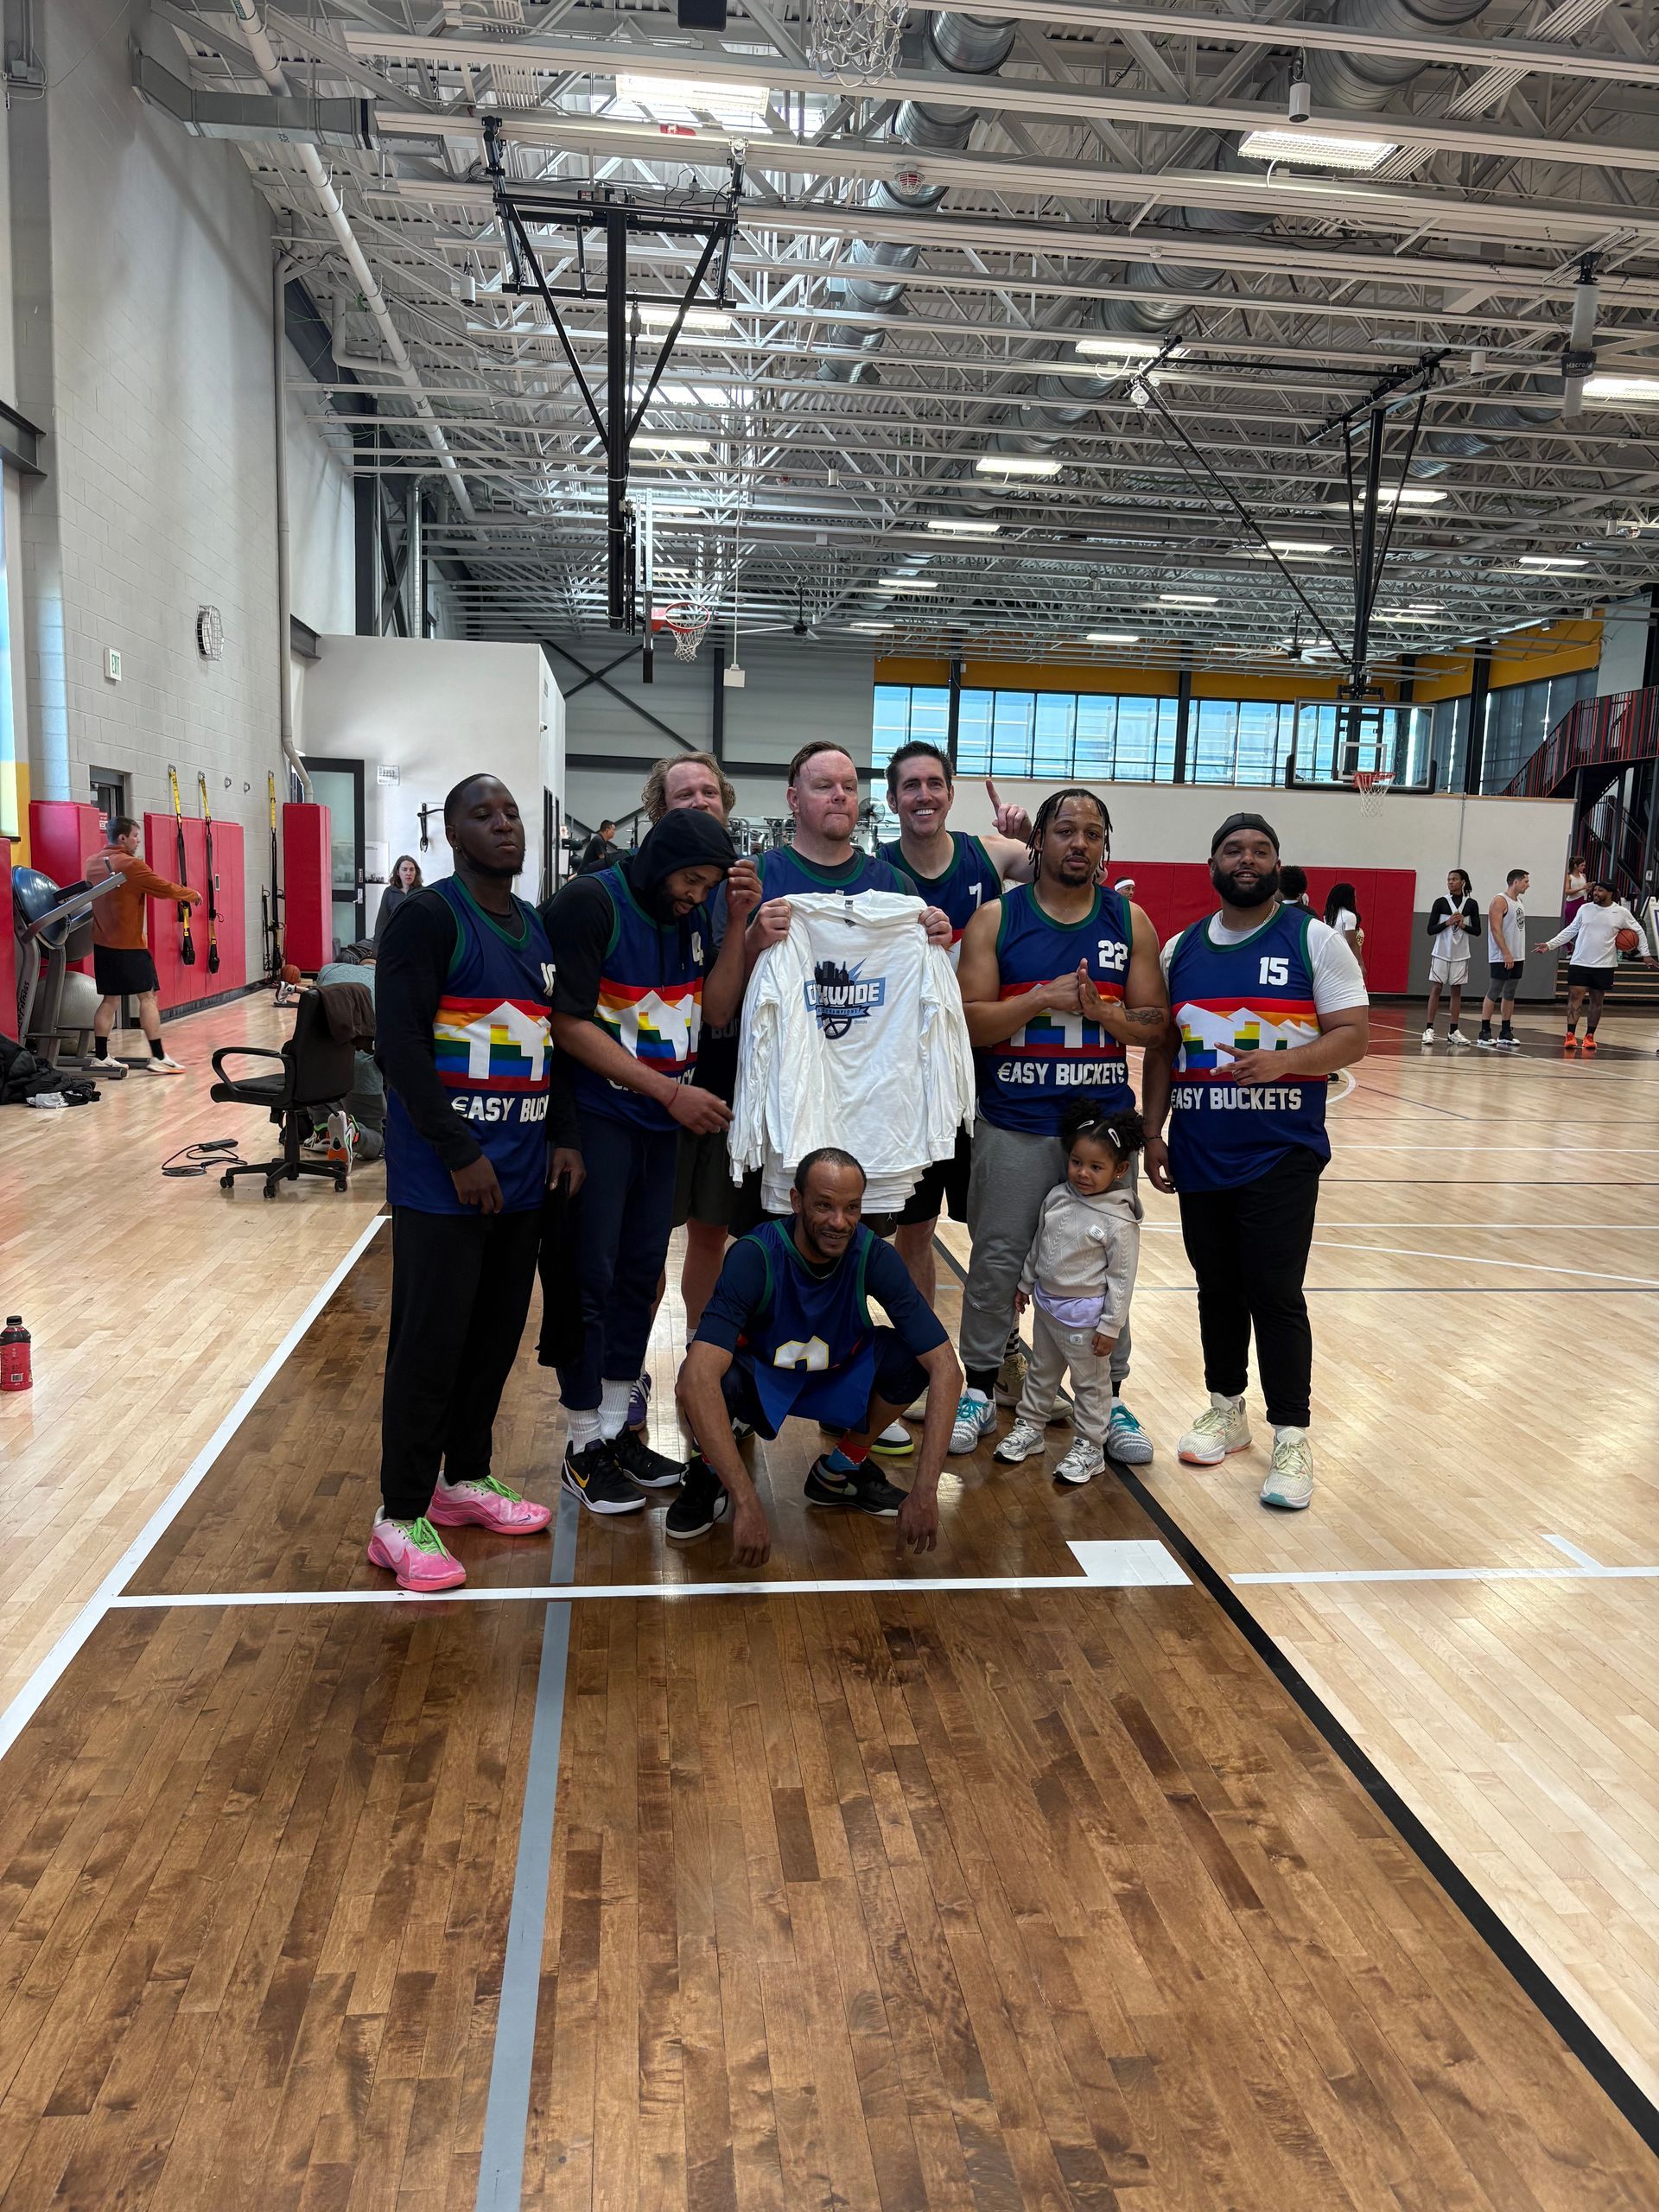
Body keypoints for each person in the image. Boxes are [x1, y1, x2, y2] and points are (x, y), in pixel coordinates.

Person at [370, 773, 583, 1594]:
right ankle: (398, 1513)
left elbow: (551, 1044)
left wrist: (562, 1134)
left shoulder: (533, 927)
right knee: (430, 1344)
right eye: (483, 815)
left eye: (510, 813)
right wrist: (460, 1152)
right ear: (452, 834)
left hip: (523, 1177)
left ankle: (464, 1479)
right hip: (445, 1182)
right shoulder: (429, 918)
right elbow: (400, 1048)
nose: (504, 826)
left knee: (493, 1339)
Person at [1141, 813, 1370, 1511]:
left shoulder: (1315, 940)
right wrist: (1154, 1133)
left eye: (1260, 850)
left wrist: (1284, 1062)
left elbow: (1354, 1036)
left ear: (1277, 863)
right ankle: (1226, 1407)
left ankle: (1293, 1434)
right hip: (1202, 1150)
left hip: (1281, 1153)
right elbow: (1161, 1050)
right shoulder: (1180, 950)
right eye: (1234, 850)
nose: (1247, 860)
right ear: (1212, 862)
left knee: (1274, 1291)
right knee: (1216, 1286)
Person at [950, 786, 1168, 1467]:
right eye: (1067, 830)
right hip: (1014, 1124)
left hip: (1100, 1136)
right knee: (996, 1263)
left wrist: (1104, 1013)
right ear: (1039, 841)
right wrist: (1042, 998)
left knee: (1105, 1270)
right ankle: (981, 1388)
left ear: (1106, 846)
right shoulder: (996, 918)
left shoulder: (1130, 921)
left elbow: (1157, 1025)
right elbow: (967, 1021)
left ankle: (1110, 1397)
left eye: (1093, 834)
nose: (1080, 843)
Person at [542, 809, 746, 1514]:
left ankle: (613, 1429)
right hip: (602, 1121)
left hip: (660, 1125)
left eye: (707, 886)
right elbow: (564, 1024)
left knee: (637, 1279)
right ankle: (579, 1445)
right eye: (691, 880)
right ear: (661, 861)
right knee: (587, 1281)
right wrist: (667, 1092)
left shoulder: (688, 916)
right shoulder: (590, 903)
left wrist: (738, 921)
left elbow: (712, 1010)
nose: (696, 895)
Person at [671, 1147, 961, 1559]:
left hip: (836, 1376)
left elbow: (947, 1368)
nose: (839, 1222)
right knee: (700, 1379)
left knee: (912, 1359)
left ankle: (840, 1471)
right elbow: (697, 1378)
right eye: (824, 1206)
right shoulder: (754, 1256)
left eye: (851, 1208)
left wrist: (926, 1490)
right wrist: (749, 1503)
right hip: (763, 1381)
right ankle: (710, 1472)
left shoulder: (873, 1254)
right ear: (796, 1202)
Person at [878, 746, 1036, 1315]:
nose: (924, 795)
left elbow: (1076, 875)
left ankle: (1003, 1351)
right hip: (911, 1082)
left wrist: (1032, 832)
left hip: (986, 1071)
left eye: (934, 784)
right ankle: (923, 1354)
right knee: (914, 1232)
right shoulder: (874, 871)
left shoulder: (991, 857)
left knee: (997, 1227)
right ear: (893, 799)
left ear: (950, 792)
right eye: (911, 786)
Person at [993, 1104, 1145, 1489]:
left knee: (1090, 1387)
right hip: (1046, 1310)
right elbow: (1039, 1246)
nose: (1083, 1173)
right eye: (1077, 1162)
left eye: (1096, 1167)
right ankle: (1030, 1429)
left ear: (1120, 1171)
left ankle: (1090, 1447)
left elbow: (1122, 1280)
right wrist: (1026, 1284)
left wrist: (1111, 1326)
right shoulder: (1057, 1197)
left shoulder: (1119, 1220)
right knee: (1041, 1374)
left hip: (1087, 1322)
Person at [83, 817, 202, 1077]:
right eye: (135, 836)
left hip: (103, 944)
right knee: (148, 997)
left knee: (110, 1000)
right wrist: (191, 894)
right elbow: (162, 887)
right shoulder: (130, 865)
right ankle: (158, 1056)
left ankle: (101, 1056)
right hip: (129, 946)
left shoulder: (92, 863)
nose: (138, 841)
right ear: (123, 838)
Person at [1536, 881, 1653, 1053]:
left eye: (1600, 890)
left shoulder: (1621, 913)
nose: (1595, 893)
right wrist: (1550, 945)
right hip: (1580, 961)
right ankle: (1570, 1034)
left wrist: (1645, 954)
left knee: (1597, 1001)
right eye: (1595, 890)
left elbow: (1639, 932)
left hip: (1604, 964)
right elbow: (1571, 929)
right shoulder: (1585, 909)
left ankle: (1589, 1036)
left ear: (1610, 893)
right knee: (1575, 998)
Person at [310, 943, 385, 1160]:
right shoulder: (390, 982)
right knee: (377, 1143)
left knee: (320, 1086)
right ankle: (355, 1134)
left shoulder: (329, 970)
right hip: (361, 1066)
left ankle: (323, 1129)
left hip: (315, 1065)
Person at [1422, 868, 1479, 1047]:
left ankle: (1453, 1030)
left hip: (1461, 954)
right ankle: (1429, 1028)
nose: (1450, 882)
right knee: (1437, 988)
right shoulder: (1440, 902)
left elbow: (1477, 931)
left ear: (1463, 882)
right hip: (1441, 952)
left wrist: (1463, 925)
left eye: (1454, 879)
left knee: (1456, 991)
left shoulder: (1471, 904)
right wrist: (1446, 923)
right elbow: (1430, 930)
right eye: (1448, 879)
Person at [1477, 868, 1529, 1051]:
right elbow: (1495, 929)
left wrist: (1515, 954)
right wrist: (1506, 952)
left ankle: (1505, 1031)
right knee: (1495, 990)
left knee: (1510, 992)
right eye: (1525, 881)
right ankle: (1484, 1031)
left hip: (1517, 955)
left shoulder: (1519, 902)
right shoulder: (1499, 901)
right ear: (1515, 881)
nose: (1527, 885)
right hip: (1501, 955)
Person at [373, 854, 423, 949]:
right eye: (404, 869)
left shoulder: (423, 892)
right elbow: (381, 922)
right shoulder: (389, 892)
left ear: (416, 872)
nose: (408, 873)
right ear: (397, 872)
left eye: (412, 869)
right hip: (394, 943)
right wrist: (376, 948)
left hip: (417, 944)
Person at [1324, 881, 1364, 976]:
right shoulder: (1350, 916)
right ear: (1348, 898)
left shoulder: (1328, 916)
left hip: (1330, 956)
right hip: (1345, 958)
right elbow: (1351, 943)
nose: (1356, 900)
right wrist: (1361, 962)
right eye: (1354, 897)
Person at [1563, 852, 1588, 927]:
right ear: (1575, 866)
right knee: (1573, 926)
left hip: (1582, 901)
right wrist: (1581, 888)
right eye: (1582, 865)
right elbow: (1567, 891)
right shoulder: (1569, 877)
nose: (1583, 867)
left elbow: (1584, 892)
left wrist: (1588, 888)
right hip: (1573, 903)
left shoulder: (1583, 876)